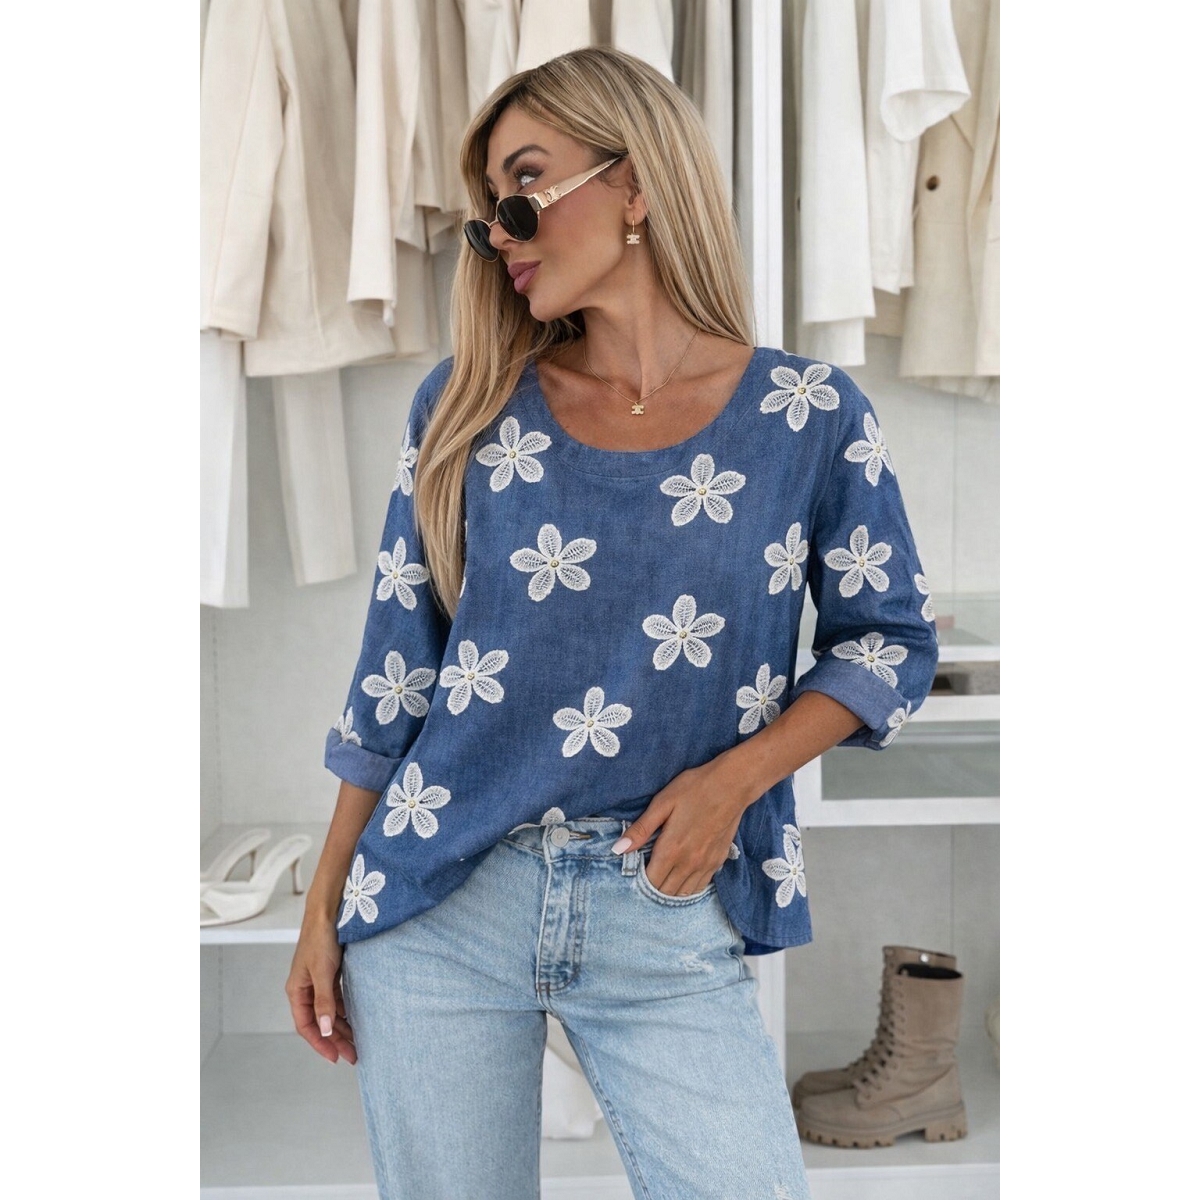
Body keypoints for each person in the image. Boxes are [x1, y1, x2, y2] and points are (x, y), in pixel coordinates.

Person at [286, 46, 938, 1200]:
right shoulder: (469, 407)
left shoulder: (808, 414)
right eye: (492, 208)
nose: (503, 231)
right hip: (441, 902)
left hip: (663, 905)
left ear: (633, 184)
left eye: (527, 186)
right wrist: (323, 904)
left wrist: (734, 781)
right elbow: (395, 674)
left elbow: (887, 642)